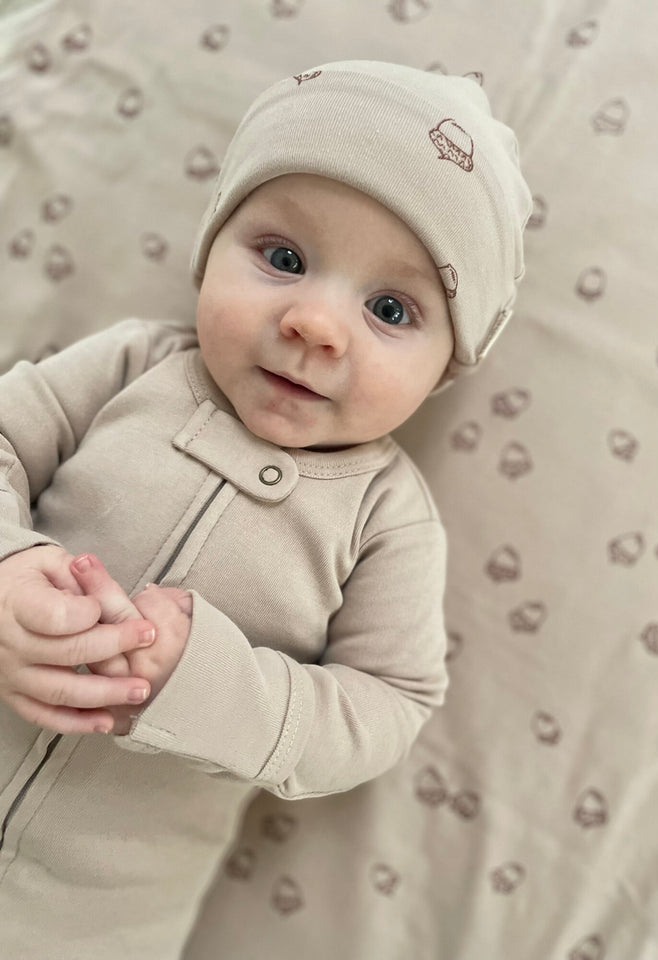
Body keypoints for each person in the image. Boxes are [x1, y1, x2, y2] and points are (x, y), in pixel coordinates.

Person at [0, 61, 531, 958]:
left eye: (391, 309)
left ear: (444, 370)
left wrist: (208, 686)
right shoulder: (132, 368)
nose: (316, 323)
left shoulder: (387, 519)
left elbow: (387, 707)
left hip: (95, 924)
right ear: (212, 247)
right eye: (283, 259)